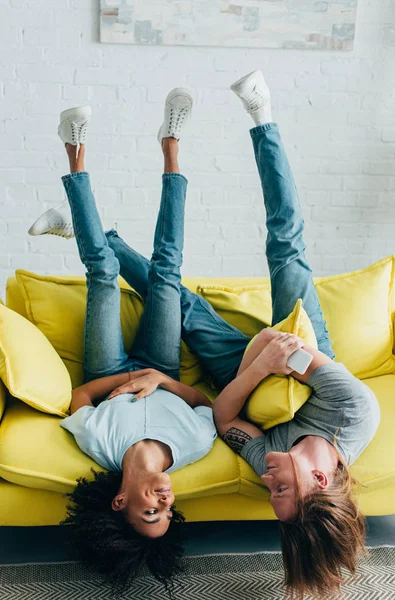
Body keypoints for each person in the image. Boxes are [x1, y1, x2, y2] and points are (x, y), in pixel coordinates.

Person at [30, 70, 381, 600]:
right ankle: (263, 117)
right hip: (295, 348)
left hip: (250, 372)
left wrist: (255, 371)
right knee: (286, 249)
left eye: (272, 493)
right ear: (321, 482)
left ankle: (89, 231)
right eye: (281, 489)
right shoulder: (356, 414)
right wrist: (264, 363)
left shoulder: (269, 462)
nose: (268, 481)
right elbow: (282, 346)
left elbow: (223, 416)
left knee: (176, 292)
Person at [29, 90, 218, 593]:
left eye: (149, 510)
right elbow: (203, 402)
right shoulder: (193, 446)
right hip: (162, 368)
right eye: (167, 511)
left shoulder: (101, 446)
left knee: (104, 273)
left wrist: (127, 378)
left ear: (120, 502)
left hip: (107, 366)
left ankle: (75, 152)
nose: (164, 498)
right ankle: (172, 145)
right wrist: (158, 378)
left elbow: (81, 398)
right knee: (167, 273)